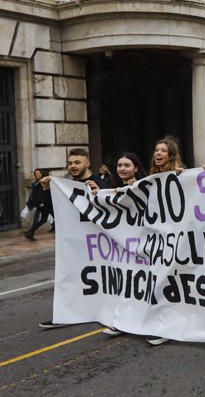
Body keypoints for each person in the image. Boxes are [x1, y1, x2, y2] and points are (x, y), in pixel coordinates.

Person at [39, 149, 108, 329]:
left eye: (77, 162)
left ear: (87, 163)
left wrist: (99, 191)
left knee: (102, 277)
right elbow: (54, 210)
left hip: (98, 242)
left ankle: (104, 311)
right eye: (70, 163)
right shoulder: (66, 185)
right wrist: (48, 189)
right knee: (69, 277)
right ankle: (64, 314)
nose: (73, 166)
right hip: (75, 243)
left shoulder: (100, 182)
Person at [101, 152, 148, 337]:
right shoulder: (111, 188)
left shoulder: (146, 185)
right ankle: (120, 322)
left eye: (127, 165)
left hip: (144, 246)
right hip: (123, 248)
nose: (122, 168)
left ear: (136, 168)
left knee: (144, 285)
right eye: (119, 165)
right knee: (126, 284)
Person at [145, 137, 185, 345]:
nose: (158, 153)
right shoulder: (150, 179)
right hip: (158, 240)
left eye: (163, 150)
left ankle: (169, 326)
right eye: (156, 149)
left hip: (178, 239)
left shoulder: (181, 175)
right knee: (159, 282)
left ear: (171, 155)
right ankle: (163, 325)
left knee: (171, 282)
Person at [23, 168, 53, 241]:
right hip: (44, 204)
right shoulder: (40, 182)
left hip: (45, 203)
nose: (37, 174)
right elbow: (36, 194)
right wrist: (32, 203)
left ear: (42, 173)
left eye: (38, 173)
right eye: (36, 173)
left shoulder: (41, 181)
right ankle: (30, 232)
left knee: (43, 219)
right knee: (46, 218)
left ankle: (30, 232)